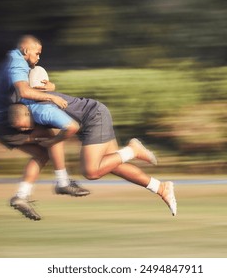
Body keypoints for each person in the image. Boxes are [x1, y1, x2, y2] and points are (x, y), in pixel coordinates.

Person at [10, 66, 177, 217]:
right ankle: (160, 187)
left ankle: (133, 150)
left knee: (91, 171)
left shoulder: (41, 111)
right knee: (113, 165)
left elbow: (72, 128)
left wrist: (53, 141)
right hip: (94, 115)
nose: (24, 131)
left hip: (93, 118)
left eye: (23, 127)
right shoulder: (26, 100)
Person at [0, 35, 90, 221]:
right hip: (7, 122)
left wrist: (50, 87)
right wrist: (52, 97)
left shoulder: (14, 60)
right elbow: (24, 92)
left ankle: (21, 197)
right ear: (26, 50)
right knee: (51, 136)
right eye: (37, 53)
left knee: (42, 154)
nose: (39, 57)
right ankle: (63, 182)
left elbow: (26, 88)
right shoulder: (17, 62)